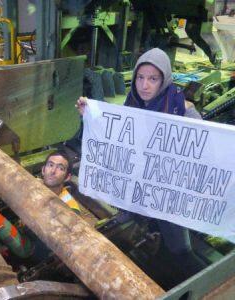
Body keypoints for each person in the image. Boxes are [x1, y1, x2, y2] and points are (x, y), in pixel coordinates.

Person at [76, 48, 207, 278]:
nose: (144, 85)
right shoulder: (133, 105)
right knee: (136, 231)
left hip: (167, 195)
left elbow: (201, 156)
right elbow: (117, 135)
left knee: (180, 249)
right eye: (140, 77)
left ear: (164, 80)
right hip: (137, 189)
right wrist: (90, 113)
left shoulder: (184, 111)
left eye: (153, 79)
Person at [42, 150, 81, 214]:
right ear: (43, 170)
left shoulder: (71, 208)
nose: (53, 171)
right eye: (50, 165)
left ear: (67, 177)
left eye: (60, 168)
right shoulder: (30, 184)